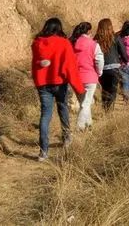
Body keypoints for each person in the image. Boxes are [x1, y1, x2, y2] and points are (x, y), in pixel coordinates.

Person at [31, 17, 85, 161]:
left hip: (43, 84)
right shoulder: (64, 43)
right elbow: (70, 68)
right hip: (60, 83)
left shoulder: (37, 43)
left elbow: (35, 64)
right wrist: (79, 89)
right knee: (63, 109)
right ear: (59, 28)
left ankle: (43, 152)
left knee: (45, 115)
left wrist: (38, 82)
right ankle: (67, 138)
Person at [70, 22, 103, 132]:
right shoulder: (93, 44)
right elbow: (99, 60)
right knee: (86, 103)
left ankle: (89, 126)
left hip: (75, 77)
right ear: (89, 31)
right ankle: (79, 128)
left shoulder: (73, 42)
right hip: (90, 76)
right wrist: (99, 72)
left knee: (84, 103)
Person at [95, 18, 128, 112]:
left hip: (101, 68)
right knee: (113, 91)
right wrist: (125, 60)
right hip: (114, 68)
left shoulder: (96, 39)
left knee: (104, 90)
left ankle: (105, 109)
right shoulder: (116, 37)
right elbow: (123, 52)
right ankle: (109, 111)